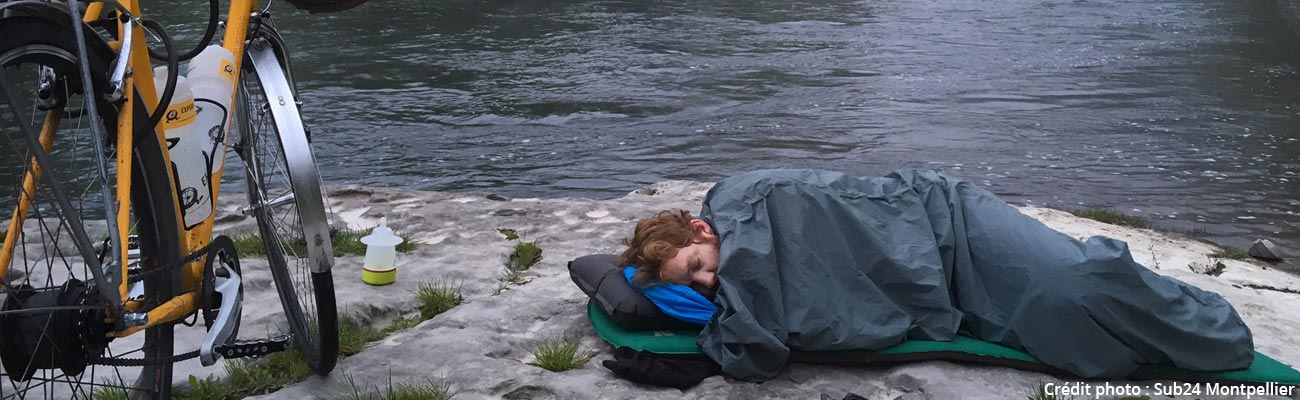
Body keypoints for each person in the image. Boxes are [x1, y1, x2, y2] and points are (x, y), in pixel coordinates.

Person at [616, 168, 1254, 382]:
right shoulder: (731, 283)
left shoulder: (743, 201)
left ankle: (1211, 329)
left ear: (701, 231)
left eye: (699, 266)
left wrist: (727, 341)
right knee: (1053, 322)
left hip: (945, 218)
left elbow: (760, 284)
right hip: (934, 288)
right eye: (693, 284)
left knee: (1077, 282)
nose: (708, 282)